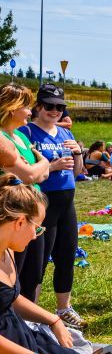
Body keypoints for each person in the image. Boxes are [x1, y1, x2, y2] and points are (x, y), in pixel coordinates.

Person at [0, 175, 110, 354]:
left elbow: (11, 298)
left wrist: (54, 319)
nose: (36, 236)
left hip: (23, 339)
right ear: (20, 222)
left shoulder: (7, 250)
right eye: (38, 228)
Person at [18, 84, 87, 330]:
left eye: (59, 107)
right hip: (41, 204)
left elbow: (77, 173)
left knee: (67, 257)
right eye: (49, 106)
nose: (54, 111)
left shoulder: (65, 133)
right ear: (38, 107)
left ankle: (63, 308)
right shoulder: (26, 132)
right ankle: (28, 313)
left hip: (66, 203)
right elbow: (26, 173)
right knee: (36, 263)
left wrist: (79, 154)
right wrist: (54, 165)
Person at [0, 83, 51, 305]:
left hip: (33, 213)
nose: (31, 112)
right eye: (27, 107)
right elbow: (31, 174)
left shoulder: (21, 138)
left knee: (34, 272)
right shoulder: (4, 139)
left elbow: (42, 174)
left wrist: (41, 167)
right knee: (13, 276)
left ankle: (27, 325)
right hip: (14, 215)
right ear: (12, 108)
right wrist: (44, 163)